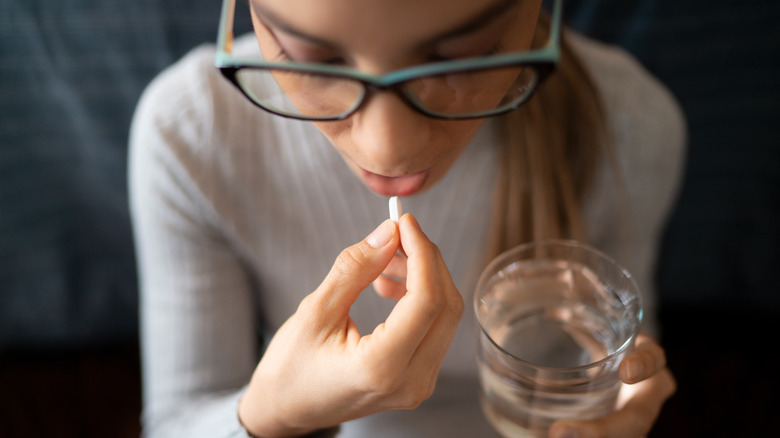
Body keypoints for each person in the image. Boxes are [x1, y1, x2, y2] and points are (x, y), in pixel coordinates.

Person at [129, 0, 681, 436]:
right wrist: (273, 414)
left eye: (461, 57)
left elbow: (620, 328)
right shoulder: (192, 134)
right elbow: (178, 420)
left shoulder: (630, 126)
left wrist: (621, 393)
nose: (387, 150)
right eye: (313, 59)